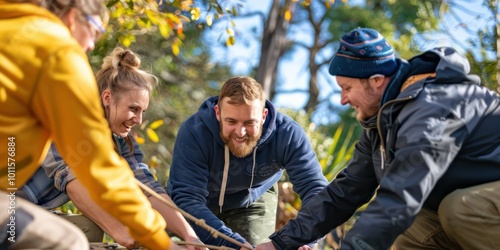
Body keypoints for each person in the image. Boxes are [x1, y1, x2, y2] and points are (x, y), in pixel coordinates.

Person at [255, 28, 500, 250]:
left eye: (347, 88)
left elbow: (400, 197)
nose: (342, 99)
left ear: (376, 80)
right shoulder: (381, 125)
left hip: (477, 202)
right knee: (411, 232)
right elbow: (344, 193)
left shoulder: (432, 108)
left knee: (461, 209)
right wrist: (279, 243)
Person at [0, 1, 179, 249]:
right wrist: (160, 242)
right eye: (95, 31)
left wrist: (190, 234)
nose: (93, 44)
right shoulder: (57, 51)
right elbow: (96, 166)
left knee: (86, 228)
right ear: (73, 17)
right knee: (70, 241)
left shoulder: (11, 24)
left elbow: (145, 186)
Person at [19, 47, 203, 249]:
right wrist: (119, 231)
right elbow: (71, 180)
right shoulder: (70, 119)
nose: (139, 120)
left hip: (33, 213)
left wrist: (189, 235)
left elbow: (148, 189)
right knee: (81, 236)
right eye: (133, 109)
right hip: (8, 210)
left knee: (88, 228)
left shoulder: (120, 143)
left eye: (142, 111)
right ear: (107, 98)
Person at [166, 76, 329, 248]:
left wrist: (305, 241)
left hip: (251, 202)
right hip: (194, 203)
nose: (240, 132)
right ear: (218, 113)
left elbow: (316, 190)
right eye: (231, 121)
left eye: (250, 122)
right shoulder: (194, 132)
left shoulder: (288, 135)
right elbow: (187, 197)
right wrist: (233, 243)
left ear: (264, 116)